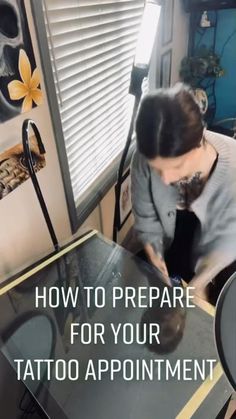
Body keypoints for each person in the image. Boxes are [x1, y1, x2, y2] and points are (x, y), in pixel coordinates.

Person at [131, 83, 236, 302]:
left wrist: (197, 289)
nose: (165, 179)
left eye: (176, 166)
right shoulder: (143, 158)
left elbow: (225, 247)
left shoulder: (233, 173)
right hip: (172, 235)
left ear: (198, 143)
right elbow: (147, 223)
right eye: (157, 168)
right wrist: (160, 272)